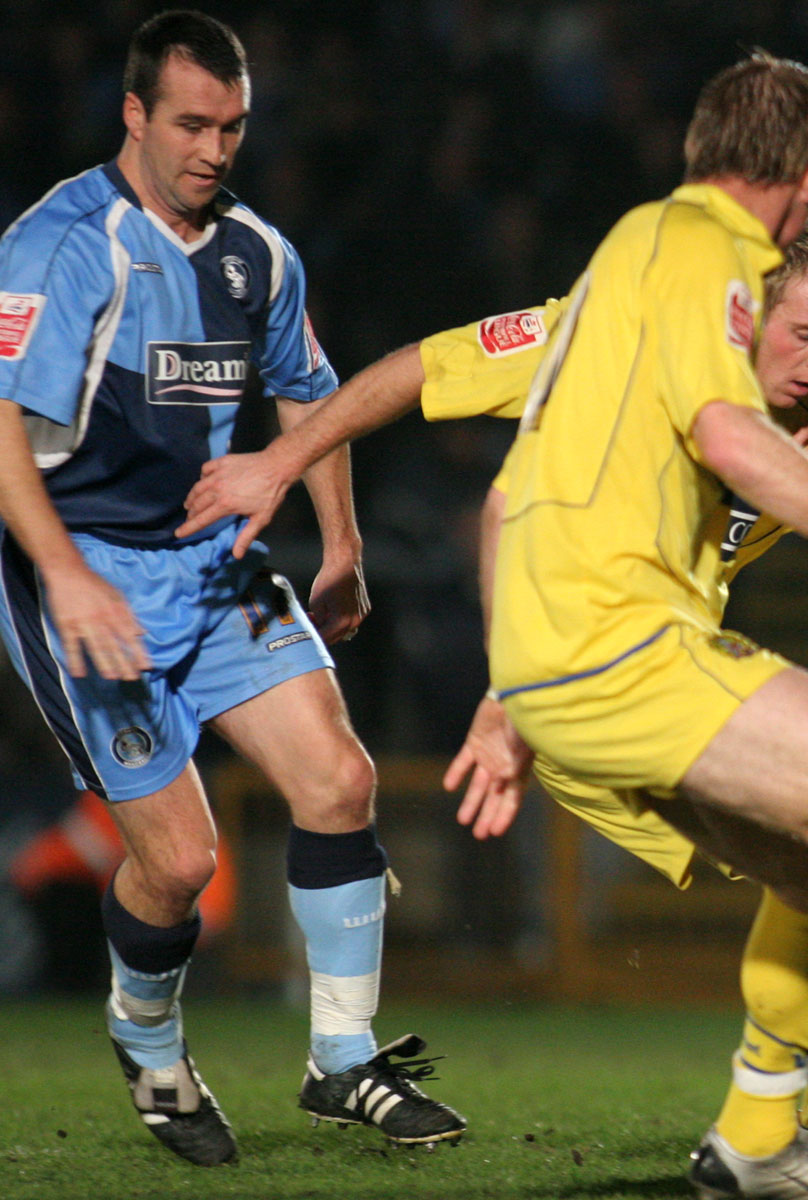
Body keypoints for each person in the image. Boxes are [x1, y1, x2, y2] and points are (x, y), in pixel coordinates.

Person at [186, 208, 808, 1198]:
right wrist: (281, 464)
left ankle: (778, 1122)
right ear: (741, 315)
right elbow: (422, 375)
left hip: (661, 679)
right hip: (602, 667)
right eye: (807, 337)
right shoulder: (617, 345)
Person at [0, 10, 462, 1166]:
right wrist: (62, 578)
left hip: (217, 563)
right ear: (134, 116)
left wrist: (340, 539)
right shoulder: (63, 244)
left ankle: (343, 1061)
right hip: (82, 570)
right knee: (182, 865)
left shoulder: (258, 252)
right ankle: (145, 1034)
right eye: (192, 124)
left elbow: (311, 393)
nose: (214, 148)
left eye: (234, 126)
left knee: (341, 778)